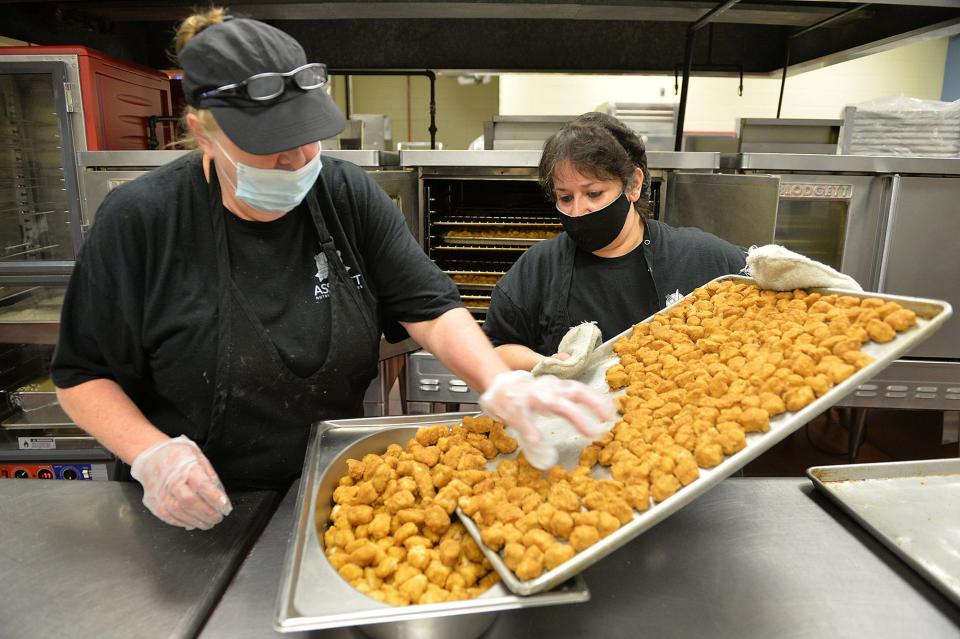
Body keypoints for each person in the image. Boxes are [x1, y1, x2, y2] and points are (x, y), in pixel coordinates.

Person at [51, 9, 613, 531]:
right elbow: (81, 375)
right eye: (271, 147)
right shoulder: (142, 219)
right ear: (205, 132)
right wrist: (153, 455)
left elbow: (432, 310)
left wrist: (497, 381)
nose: (297, 160)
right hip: (187, 506)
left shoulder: (344, 194)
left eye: (307, 138)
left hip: (328, 492)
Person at [484, 112, 746, 370]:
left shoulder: (697, 256)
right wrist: (546, 363)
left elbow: (772, 294)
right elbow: (496, 349)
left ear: (633, 186)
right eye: (565, 197)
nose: (578, 210)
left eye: (593, 193)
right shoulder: (539, 267)